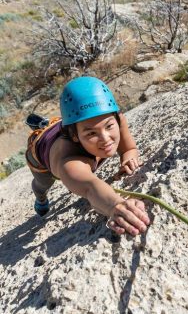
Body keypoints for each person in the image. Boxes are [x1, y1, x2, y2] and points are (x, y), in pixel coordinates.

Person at [25, 76, 150, 236]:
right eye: (91, 133)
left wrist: (128, 158)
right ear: (75, 136)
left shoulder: (115, 119)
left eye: (109, 126)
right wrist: (115, 206)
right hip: (39, 154)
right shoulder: (68, 160)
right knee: (42, 185)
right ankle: (41, 199)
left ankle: (49, 124)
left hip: (71, 123)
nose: (106, 139)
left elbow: (129, 149)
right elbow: (90, 187)